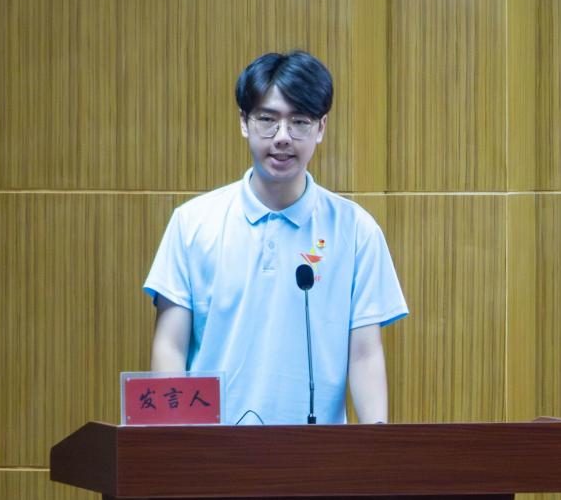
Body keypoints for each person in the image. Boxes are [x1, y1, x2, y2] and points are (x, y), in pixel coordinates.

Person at [143, 50, 407, 425]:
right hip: (211, 452)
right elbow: (170, 346)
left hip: (317, 454)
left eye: (299, 121)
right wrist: (175, 447)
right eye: (267, 120)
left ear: (321, 127)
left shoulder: (356, 231)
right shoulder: (192, 223)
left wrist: (376, 448)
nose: (282, 137)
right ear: (244, 122)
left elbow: (365, 355)